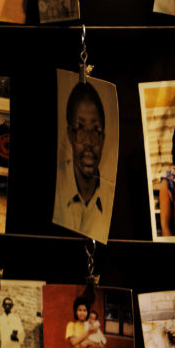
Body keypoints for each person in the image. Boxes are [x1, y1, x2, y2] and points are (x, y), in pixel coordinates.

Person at [54, 82, 110, 241]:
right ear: (70, 135)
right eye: (80, 129)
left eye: (95, 130)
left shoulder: (110, 196)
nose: (88, 142)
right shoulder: (56, 187)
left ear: (103, 138)